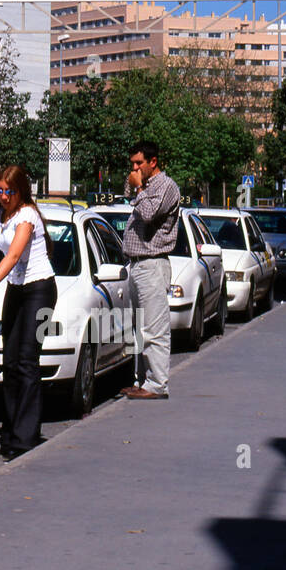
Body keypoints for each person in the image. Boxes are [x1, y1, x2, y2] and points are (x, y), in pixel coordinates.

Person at [0, 165, 57, 458]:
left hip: (41, 289)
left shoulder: (28, 215)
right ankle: (11, 429)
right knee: (9, 361)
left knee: (27, 360)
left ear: (22, 191)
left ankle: (26, 435)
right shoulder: (2, 215)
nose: (5, 196)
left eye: (10, 191)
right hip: (18, 289)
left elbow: (14, 254)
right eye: (1, 191)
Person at [120, 141, 182, 400]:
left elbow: (147, 213)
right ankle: (143, 380)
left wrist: (139, 187)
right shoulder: (144, 185)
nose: (134, 168)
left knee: (155, 327)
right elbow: (127, 193)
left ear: (153, 162)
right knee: (139, 328)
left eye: (139, 163)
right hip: (136, 263)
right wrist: (136, 184)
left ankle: (158, 384)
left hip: (153, 263)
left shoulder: (166, 187)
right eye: (132, 163)